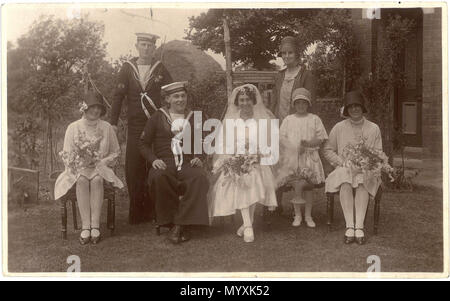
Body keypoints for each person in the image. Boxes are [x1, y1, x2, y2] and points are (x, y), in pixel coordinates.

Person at [110, 32, 173, 224]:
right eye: (143, 44)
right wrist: (113, 122)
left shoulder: (160, 68)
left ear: (154, 48)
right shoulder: (127, 68)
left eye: (150, 45)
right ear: (137, 46)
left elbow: (172, 92)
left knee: (155, 164)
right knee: (134, 167)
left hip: (156, 124)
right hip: (135, 125)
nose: (146, 48)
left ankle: (155, 210)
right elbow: (118, 96)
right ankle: (137, 213)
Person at [139, 81, 210, 244]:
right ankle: (174, 222)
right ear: (168, 100)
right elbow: (142, 144)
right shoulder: (157, 116)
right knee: (159, 177)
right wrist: (154, 160)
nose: (180, 99)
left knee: (199, 178)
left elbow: (203, 141)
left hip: (186, 162)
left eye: (183, 96)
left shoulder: (195, 116)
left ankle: (179, 224)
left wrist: (199, 156)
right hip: (165, 161)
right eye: (176, 96)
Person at [209, 84, 278, 243]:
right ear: (237, 102)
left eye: (248, 99)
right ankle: (248, 225)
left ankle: (247, 224)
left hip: (257, 160)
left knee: (252, 175)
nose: (245, 103)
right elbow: (223, 144)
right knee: (241, 177)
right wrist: (232, 158)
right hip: (235, 159)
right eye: (242, 100)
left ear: (253, 101)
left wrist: (257, 155)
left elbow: (268, 144)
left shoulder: (261, 120)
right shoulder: (231, 121)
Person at [55, 92, 124, 245]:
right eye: (92, 107)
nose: (95, 111)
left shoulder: (106, 128)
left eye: (98, 108)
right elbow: (67, 153)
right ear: (84, 108)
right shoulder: (73, 127)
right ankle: (85, 227)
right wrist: (78, 162)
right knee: (81, 180)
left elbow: (116, 152)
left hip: (100, 167)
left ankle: (95, 226)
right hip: (78, 169)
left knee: (97, 179)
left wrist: (102, 161)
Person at [323, 91, 382, 245]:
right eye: (351, 107)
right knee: (345, 179)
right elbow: (328, 150)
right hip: (345, 167)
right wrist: (341, 162)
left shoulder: (373, 128)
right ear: (346, 110)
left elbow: (378, 152)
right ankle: (350, 226)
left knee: (363, 179)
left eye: (357, 106)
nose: (354, 110)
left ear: (363, 108)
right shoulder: (339, 127)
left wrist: (367, 162)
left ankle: (359, 227)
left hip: (366, 168)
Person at [274, 88, 328, 228]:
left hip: (310, 157)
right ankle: (297, 215)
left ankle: (308, 215)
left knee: (308, 187)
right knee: (297, 185)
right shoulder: (288, 119)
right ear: (294, 104)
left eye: (304, 103)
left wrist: (308, 144)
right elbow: (281, 137)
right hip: (293, 157)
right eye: (298, 103)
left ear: (308, 104)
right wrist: (294, 147)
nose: (301, 106)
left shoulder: (314, 119)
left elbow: (321, 138)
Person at [271, 36, 316, 122]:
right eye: (284, 53)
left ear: (296, 54)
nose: (286, 56)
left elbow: (311, 104)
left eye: (290, 53)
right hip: (279, 123)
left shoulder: (306, 75)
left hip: (299, 123)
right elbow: (273, 103)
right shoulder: (279, 76)